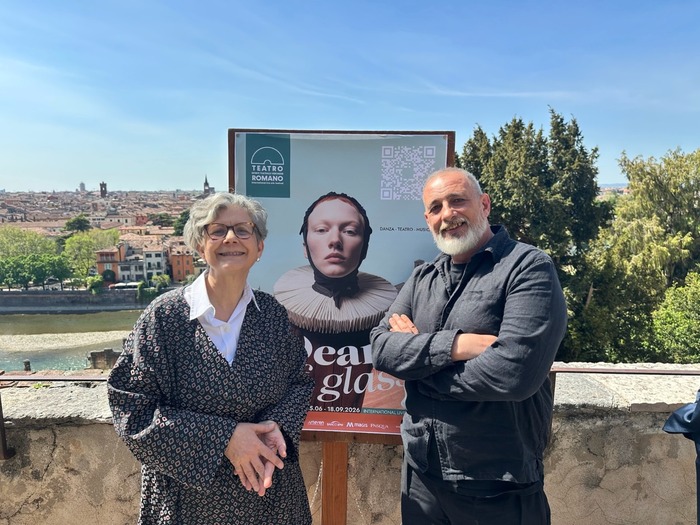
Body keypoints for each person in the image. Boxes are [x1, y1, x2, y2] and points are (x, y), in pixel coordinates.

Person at [370, 168, 567, 525]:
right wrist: (456, 346)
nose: (447, 214)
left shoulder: (527, 268)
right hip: (421, 477)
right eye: (436, 207)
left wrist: (417, 371)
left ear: (484, 204)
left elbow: (514, 375)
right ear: (428, 219)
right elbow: (382, 348)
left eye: (457, 200)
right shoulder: (423, 278)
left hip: (497, 485)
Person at [107, 192, 314, 525]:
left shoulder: (273, 315)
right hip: (188, 507)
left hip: (272, 503)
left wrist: (276, 426)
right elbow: (132, 410)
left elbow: (299, 384)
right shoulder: (164, 318)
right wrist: (225, 439)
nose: (231, 238)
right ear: (199, 246)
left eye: (243, 230)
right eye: (217, 230)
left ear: (259, 247)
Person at [273, 191, 402, 412]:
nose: (335, 241)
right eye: (321, 230)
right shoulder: (274, 317)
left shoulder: (395, 316)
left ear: (365, 246)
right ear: (305, 246)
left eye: (349, 231)